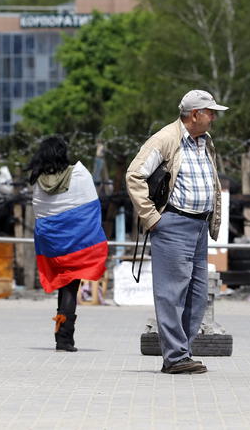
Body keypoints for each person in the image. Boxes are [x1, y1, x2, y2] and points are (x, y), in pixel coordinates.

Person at [126, 90, 227, 374]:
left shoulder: (204, 140)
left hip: (199, 226)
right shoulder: (166, 139)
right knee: (171, 294)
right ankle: (175, 357)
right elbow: (134, 175)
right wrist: (151, 218)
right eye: (210, 112)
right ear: (195, 114)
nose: (213, 117)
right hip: (173, 224)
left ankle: (182, 352)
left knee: (197, 294)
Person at [27, 136, 109, 352]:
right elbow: (91, 207)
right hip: (75, 242)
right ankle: (64, 339)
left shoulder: (37, 180)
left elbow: (40, 212)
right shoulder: (79, 174)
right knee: (70, 286)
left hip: (51, 244)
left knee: (65, 286)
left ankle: (61, 334)